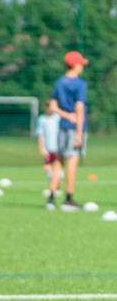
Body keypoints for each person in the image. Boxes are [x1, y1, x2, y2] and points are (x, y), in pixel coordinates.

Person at [47, 50, 88, 212]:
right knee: (72, 162)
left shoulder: (59, 82)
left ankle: (50, 198)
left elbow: (52, 106)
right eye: (81, 64)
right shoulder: (80, 84)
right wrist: (78, 132)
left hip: (62, 127)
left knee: (58, 162)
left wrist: (65, 115)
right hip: (73, 128)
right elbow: (79, 108)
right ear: (75, 65)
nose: (82, 67)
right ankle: (68, 199)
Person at [36, 99, 61, 184]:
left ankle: (56, 185)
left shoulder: (58, 117)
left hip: (58, 148)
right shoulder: (42, 119)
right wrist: (41, 148)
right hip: (48, 148)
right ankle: (54, 184)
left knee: (57, 167)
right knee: (47, 167)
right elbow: (40, 135)